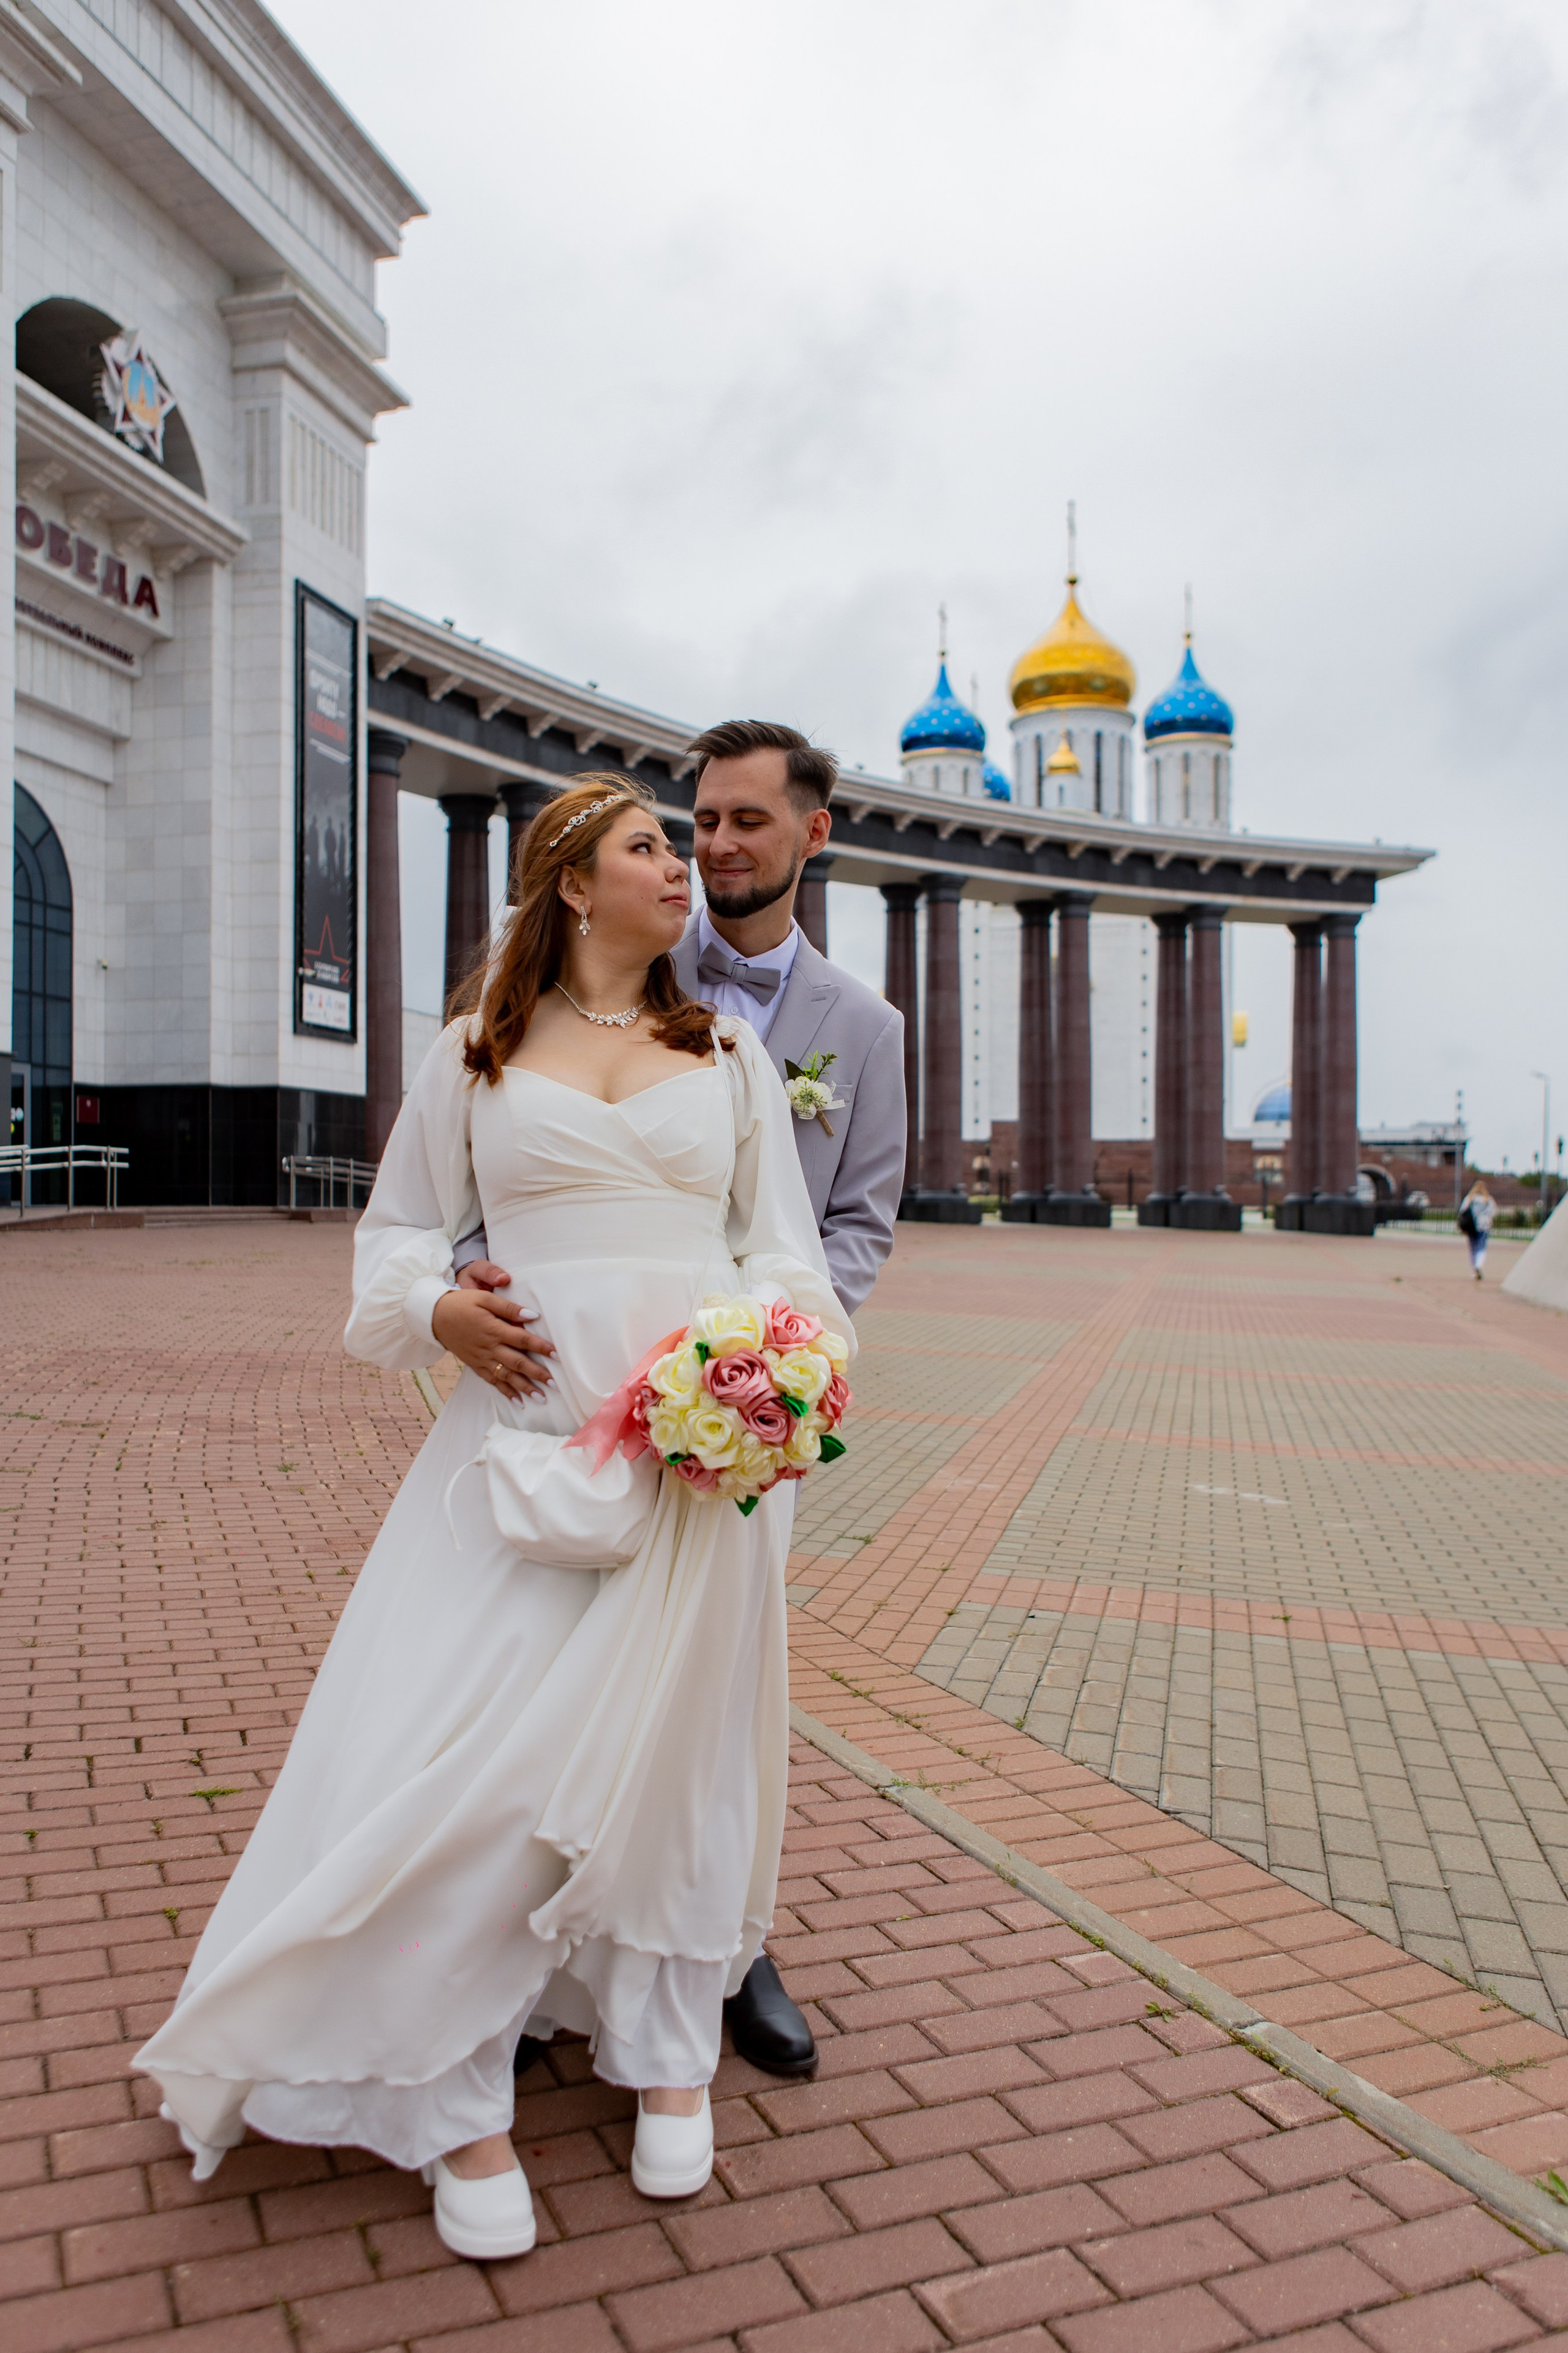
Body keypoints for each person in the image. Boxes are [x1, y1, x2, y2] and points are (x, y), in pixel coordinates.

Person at [134, 776, 849, 2262]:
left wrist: (769, 1367)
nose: (682, 863)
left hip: (690, 1460)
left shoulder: (724, 1053)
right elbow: (397, 1232)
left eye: (680, 844)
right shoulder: (474, 1052)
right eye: (649, 845)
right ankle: (452, 2093)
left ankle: (665, 2049)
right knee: (465, 1753)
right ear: (573, 883)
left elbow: (781, 1250)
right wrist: (436, 1312)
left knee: (676, 1753)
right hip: (518, 1439)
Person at [447, 720, 907, 2080]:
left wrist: (769, 1363)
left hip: (734, 1407)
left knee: (720, 1684)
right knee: (541, 1665)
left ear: (812, 833)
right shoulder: (624, 955)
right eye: (699, 820)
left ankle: (727, 1946)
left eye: (745, 821)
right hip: (568, 1398)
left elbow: (858, 1220)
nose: (712, 847)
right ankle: (535, 1950)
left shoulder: (864, 1029)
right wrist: (464, 1279)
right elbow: (495, 1157)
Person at [1459, 1179, 1496, 1280]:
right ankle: (1479, 1266)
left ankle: (1475, 1269)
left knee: (1472, 1248)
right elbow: (1493, 1212)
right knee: (1481, 1247)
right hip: (1484, 1226)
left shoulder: (1470, 1198)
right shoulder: (1488, 1200)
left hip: (1471, 1225)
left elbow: (1462, 1211)